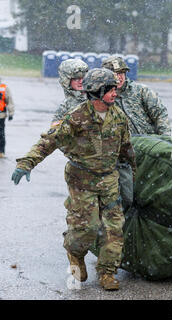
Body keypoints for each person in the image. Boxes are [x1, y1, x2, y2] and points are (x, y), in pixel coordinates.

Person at [11, 68, 136, 291]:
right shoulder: (77, 117)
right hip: (82, 180)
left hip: (109, 180)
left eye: (116, 89)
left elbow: (126, 150)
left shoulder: (118, 117)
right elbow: (49, 141)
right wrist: (26, 163)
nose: (115, 93)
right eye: (111, 89)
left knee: (114, 228)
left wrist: (133, 173)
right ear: (97, 92)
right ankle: (75, 253)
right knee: (86, 228)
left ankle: (107, 272)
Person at [101, 56, 171, 136]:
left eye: (121, 73)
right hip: (122, 145)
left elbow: (160, 114)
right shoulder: (101, 98)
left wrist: (165, 137)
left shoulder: (141, 91)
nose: (119, 77)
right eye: (115, 74)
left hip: (150, 141)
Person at [52, 59, 89, 124]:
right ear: (67, 80)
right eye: (76, 79)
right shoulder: (65, 106)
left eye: (83, 78)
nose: (81, 82)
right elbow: (55, 130)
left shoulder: (94, 96)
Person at [0, 77, 15, 158]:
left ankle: (1, 152)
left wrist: (11, 113)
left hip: (1, 116)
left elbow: (10, 101)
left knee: (1, 134)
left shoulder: (4, 88)